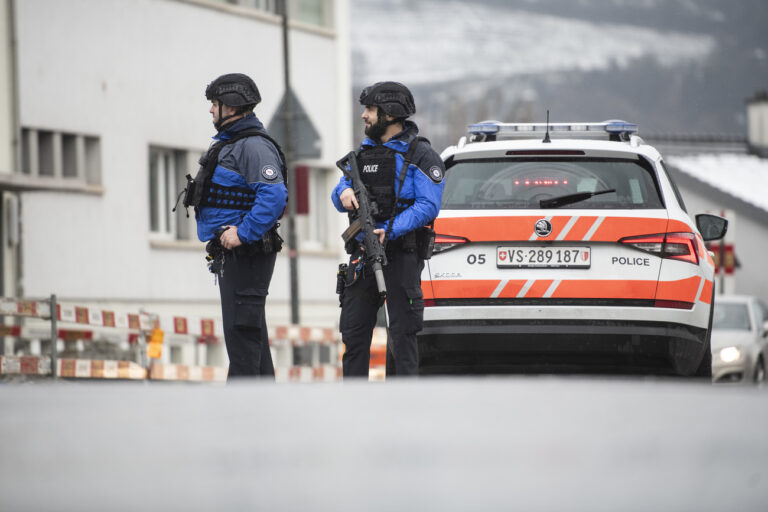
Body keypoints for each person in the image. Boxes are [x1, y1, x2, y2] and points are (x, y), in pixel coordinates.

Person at [332, 81, 445, 377]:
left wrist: (390, 231)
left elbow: (427, 205)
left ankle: (404, 405)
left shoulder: (421, 155)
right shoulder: (362, 155)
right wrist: (342, 194)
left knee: (402, 334)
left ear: (391, 115)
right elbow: (341, 190)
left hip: (402, 254)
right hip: (363, 254)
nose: (364, 115)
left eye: (370, 109)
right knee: (354, 334)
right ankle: (353, 403)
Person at [186, 73, 287, 380]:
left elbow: (274, 195)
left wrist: (242, 233)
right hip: (236, 254)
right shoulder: (233, 143)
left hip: (248, 253)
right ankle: (263, 411)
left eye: (214, 104)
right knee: (249, 333)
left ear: (230, 106)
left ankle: (241, 413)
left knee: (242, 335)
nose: (210, 110)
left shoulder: (253, 146)